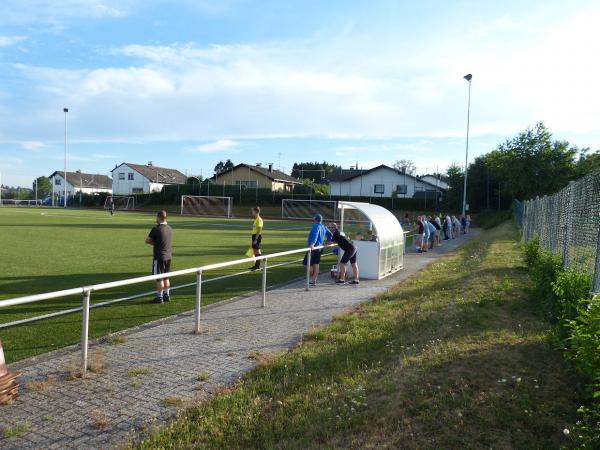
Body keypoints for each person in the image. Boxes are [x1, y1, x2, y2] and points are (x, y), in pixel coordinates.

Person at [145, 210, 173, 304]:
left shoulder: (156, 229)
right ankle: (167, 295)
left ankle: (159, 297)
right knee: (166, 277)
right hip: (168, 256)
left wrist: (156, 244)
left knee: (159, 278)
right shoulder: (170, 228)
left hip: (159, 257)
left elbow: (147, 240)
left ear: (159, 217)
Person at [303, 214, 328, 286]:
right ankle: (313, 281)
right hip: (320, 248)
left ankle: (310, 279)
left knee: (307, 263)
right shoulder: (324, 227)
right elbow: (330, 235)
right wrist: (329, 241)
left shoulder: (316, 226)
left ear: (315, 219)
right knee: (316, 263)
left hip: (314, 248)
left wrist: (312, 244)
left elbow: (315, 234)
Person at [248, 206, 263, 271]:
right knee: (255, 251)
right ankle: (257, 265)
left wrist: (256, 239)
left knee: (256, 251)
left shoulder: (259, 220)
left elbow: (259, 230)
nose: (252, 212)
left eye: (253, 211)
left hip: (257, 236)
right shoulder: (256, 219)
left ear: (256, 212)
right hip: (254, 236)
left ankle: (257, 266)